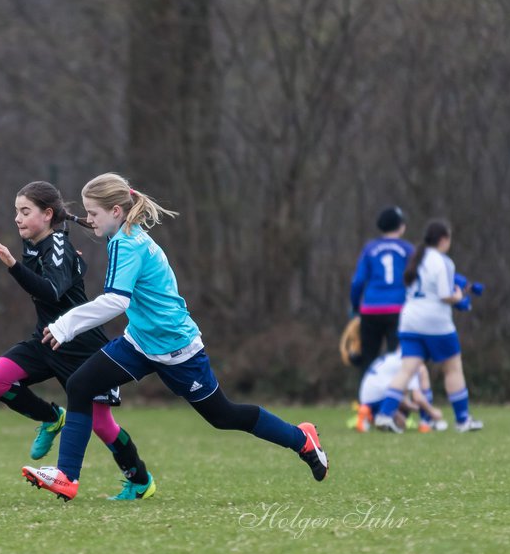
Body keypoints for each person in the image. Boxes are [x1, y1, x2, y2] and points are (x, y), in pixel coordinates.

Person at [19, 174, 328, 501]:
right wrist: (82, 221)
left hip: (177, 348)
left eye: (94, 213)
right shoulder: (123, 235)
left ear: (116, 211)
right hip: (139, 343)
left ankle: (302, 439)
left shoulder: (127, 245)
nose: (89, 219)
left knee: (223, 416)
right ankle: (67, 476)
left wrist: (66, 325)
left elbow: (115, 301)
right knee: (80, 385)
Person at [0, 181, 155, 501]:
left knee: (102, 425)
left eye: (25, 212)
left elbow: (50, 290)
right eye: (15, 212)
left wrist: (12, 266)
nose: (17, 219)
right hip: (47, 340)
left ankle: (140, 479)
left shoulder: (58, 246)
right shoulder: (35, 244)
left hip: (81, 347)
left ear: (47, 215)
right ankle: (51, 418)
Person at [373, 219, 483, 433]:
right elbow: (444, 294)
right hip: (435, 323)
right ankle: (462, 420)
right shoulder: (443, 261)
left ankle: (384, 415)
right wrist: (459, 297)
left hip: (410, 320)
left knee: (406, 370)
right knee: (452, 368)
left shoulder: (417, 258)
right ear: (443, 239)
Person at [348, 206, 415, 371]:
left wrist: (356, 305)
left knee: (368, 359)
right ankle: (396, 396)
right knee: (397, 360)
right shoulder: (408, 249)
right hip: (398, 309)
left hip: (370, 309)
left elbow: (358, 281)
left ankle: (366, 396)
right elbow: (418, 278)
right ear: (401, 227)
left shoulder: (370, 249)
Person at [354, 350, 446, 433]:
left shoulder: (392, 357)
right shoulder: (411, 364)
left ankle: (368, 414)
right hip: (381, 398)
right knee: (401, 423)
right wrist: (432, 412)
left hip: (366, 398)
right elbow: (418, 398)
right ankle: (426, 422)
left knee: (401, 406)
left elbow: (403, 398)